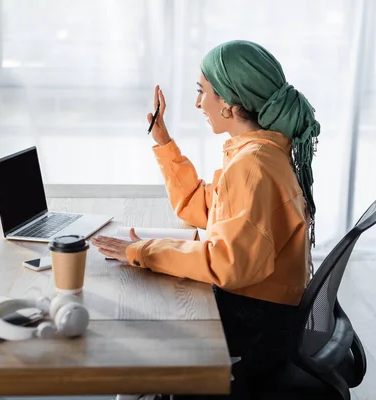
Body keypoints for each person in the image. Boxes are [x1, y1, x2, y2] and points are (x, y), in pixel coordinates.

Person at [92, 40, 320, 399]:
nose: (198, 103)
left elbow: (227, 264)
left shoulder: (253, 166)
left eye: (203, 92)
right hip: (266, 318)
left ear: (230, 102)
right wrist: (163, 140)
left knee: (127, 326)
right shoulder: (260, 150)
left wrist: (143, 251)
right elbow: (201, 208)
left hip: (254, 333)